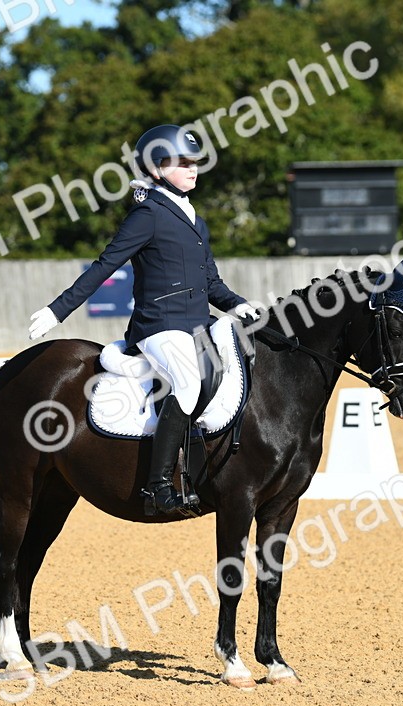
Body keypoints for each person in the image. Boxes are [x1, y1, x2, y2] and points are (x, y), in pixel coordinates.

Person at [27, 124, 258, 516]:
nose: (192, 168)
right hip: (159, 327)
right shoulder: (148, 214)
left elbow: (211, 282)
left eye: (195, 161)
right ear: (155, 168)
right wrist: (57, 310)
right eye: (181, 162)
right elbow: (104, 266)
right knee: (186, 384)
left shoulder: (194, 220)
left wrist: (238, 305)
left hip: (197, 327)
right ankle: (157, 486)